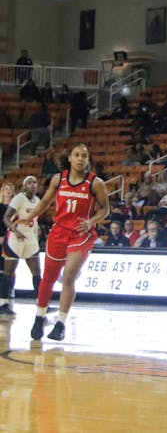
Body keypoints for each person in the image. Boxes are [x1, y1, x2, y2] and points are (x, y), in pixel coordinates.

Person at [23, 144, 110, 340]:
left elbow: (105, 209)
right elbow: (45, 201)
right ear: (69, 158)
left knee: (69, 275)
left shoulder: (95, 183)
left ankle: (61, 323)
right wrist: (32, 216)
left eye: (85, 156)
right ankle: (40, 316)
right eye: (77, 155)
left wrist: (91, 221)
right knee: (48, 278)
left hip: (81, 233)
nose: (81, 159)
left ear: (88, 160)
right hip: (59, 232)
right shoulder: (58, 179)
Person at [0, 177, 43, 315]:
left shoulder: (38, 201)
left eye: (34, 183)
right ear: (24, 186)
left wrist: (36, 235)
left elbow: (35, 222)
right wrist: (15, 231)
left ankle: (41, 305)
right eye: (29, 183)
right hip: (15, 237)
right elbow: (6, 218)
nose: (32, 185)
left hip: (30, 237)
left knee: (37, 273)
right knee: (8, 273)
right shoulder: (18, 198)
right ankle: (3, 304)